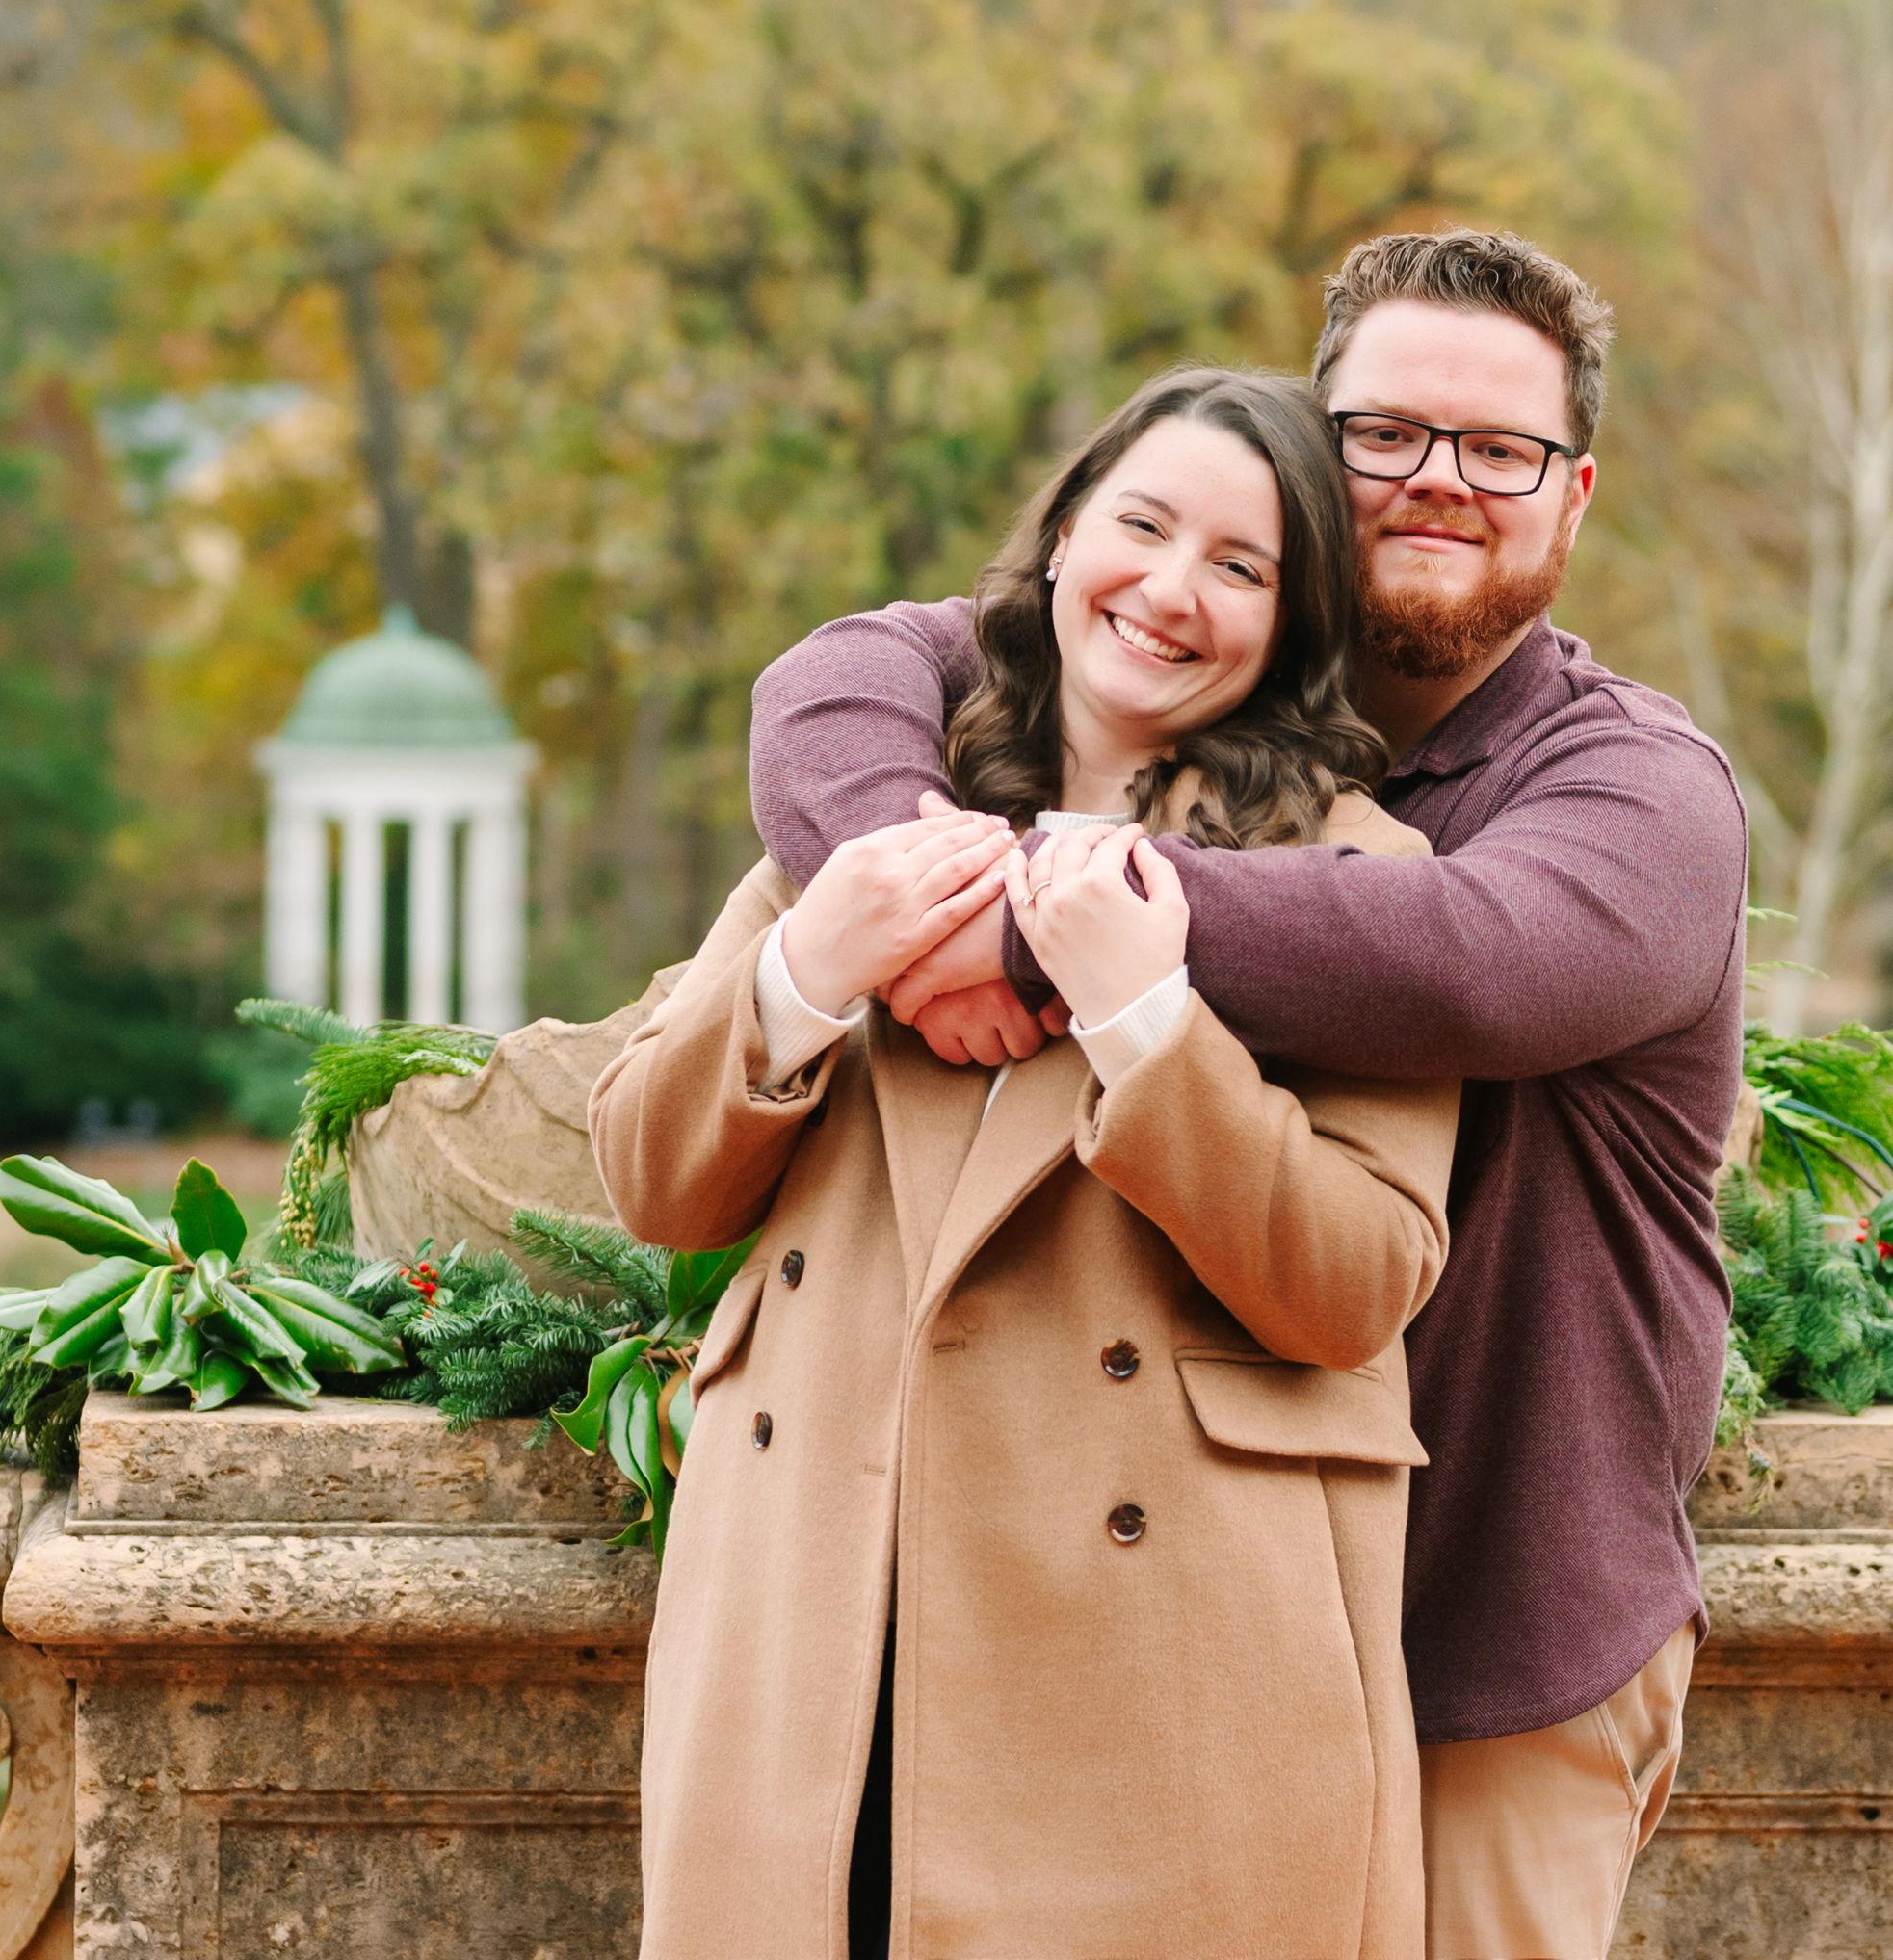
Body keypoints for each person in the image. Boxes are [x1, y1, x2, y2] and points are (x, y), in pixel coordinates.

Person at [747, 230, 1748, 1960]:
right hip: (1180, 1643)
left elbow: (1470, 959)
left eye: (1496, 450)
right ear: (1309, 440)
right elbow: (837, 675)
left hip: (1487, 1633)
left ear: (1570, 497)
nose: (1436, 484)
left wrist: (1047, 914)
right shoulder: (1185, 676)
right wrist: (917, 901)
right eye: (1382, 435)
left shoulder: (1632, 791)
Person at [589, 367, 1461, 1959]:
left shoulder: (1354, 877)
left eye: (1241, 567)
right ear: (1063, 537)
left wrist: (1147, 1024)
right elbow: (654, 1183)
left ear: (1292, 622)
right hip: (816, 1624)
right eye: (1140, 524)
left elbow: (1358, 1286)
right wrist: (806, 974)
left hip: (1166, 1669)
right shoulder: (869, 814)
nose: (1169, 591)